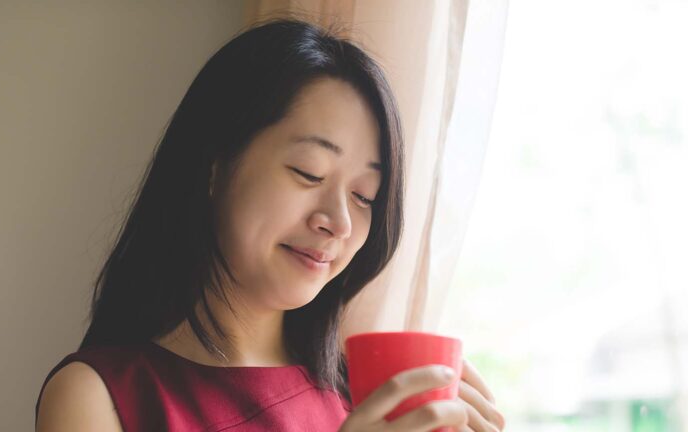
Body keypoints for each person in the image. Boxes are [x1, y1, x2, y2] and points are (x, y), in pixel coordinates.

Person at [35, 18, 505, 432]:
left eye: (365, 197)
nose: (339, 222)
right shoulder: (99, 396)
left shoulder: (362, 398)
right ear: (214, 168)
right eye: (309, 172)